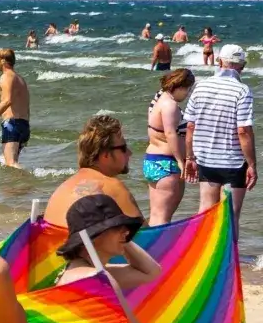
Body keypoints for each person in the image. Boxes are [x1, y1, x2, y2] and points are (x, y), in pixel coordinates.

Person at [55, 195, 207, 323]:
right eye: (117, 228)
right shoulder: (98, 279)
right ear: (93, 236)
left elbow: (151, 272)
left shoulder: (77, 273)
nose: (125, 232)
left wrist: (121, 240)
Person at [185, 43, 255, 220]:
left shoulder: (201, 87)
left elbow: (190, 126)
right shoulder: (242, 90)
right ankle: (229, 249)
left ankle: (202, 248)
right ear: (240, 66)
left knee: (204, 213)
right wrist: (252, 164)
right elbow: (243, 130)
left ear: (219, 61)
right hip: (233, 163)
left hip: (206, 159)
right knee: (230, 217)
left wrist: (189, 157)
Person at [44, 115, 141, 224]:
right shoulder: (111, 186)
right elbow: (144, 236)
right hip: (83, 241)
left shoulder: (63, 187)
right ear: (105, 155)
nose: (129, 153)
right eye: (123, 148)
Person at [145, 68, 194, 225]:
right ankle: (156, 250)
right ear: (178, 86)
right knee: (162, 217)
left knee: (157, 214)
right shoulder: (170, 105)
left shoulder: (158, 98)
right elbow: (170, 133)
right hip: (166, 163)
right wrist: (181, 160)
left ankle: (149, 247)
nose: (187, 94)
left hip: (154, 160)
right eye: (187, 89)